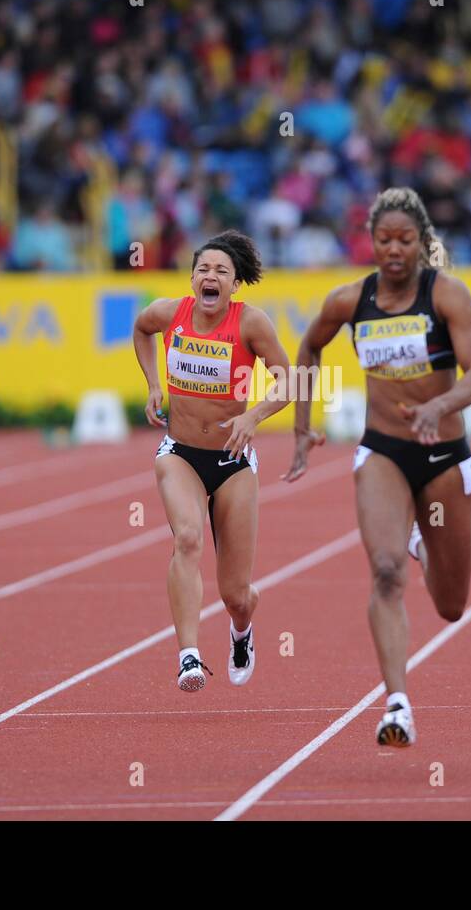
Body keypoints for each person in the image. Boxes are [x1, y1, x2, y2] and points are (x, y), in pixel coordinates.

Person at [286, 188, 471, 745]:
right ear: (371, 242)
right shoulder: (351, 300)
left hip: (444, 455)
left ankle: (424, 544)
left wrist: (437, 406)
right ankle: (396, 703)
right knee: (383, 571)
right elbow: (309, 348)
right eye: (383, 240)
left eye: (405, 240)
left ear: (423, 244)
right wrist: (302, 426)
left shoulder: (447, 296)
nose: (394, 250)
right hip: (383, 450)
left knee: (450, 605)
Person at [132, 230, 292, 691]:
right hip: (179, 452)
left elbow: (291, 378)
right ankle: (188, 656)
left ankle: (241, 630)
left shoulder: (251, 324)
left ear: (235, 284)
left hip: (233, 461)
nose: (211, 276)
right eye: (204, 269)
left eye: (221, 271)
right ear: (192, 278)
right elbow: (142, 329)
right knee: (187, 538)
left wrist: (256, 415)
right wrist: (153, 385)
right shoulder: (169, 314)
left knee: (236, 595)